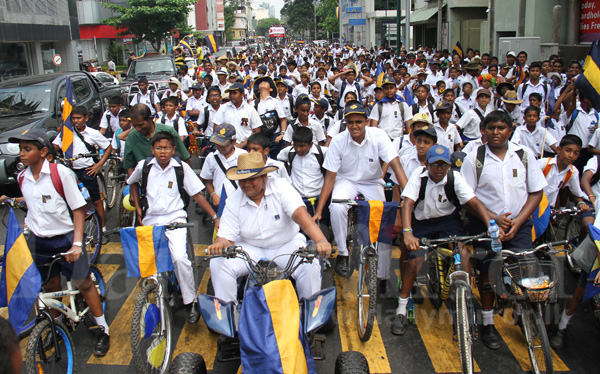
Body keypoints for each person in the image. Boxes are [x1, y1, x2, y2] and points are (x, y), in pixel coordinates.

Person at [0, 129, 110, 356]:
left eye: (27, 149)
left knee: (84, 283)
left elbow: (78, 209)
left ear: (43, 152)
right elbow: (33, 202)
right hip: (40, 242)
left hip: (67, 239)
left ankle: (102, 328)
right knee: (50, 288)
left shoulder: (61, 174)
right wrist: (13, 202)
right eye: (20, 149)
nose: (21, 154)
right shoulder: (23, 177)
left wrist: (77, 244)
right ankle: (57, 326)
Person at [461, 110, 547, 350]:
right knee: (488, 272)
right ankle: (487, 323)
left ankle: (525, 311)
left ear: (510, 129)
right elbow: (468, 198)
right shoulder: (474, 158)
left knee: (526, 266)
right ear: (483, 131)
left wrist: (518, 222)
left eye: (501, 128)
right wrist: (493, 219)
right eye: (491, 128)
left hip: (518, 225)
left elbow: (536, 191)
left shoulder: (525, 155)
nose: (496, 133)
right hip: (486, 225)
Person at [206, 152, 332, 304]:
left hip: (286, 245)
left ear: (264, 177)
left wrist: (320, 240)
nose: (246, 184)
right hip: (250, 249)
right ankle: (228, 317)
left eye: (252, 179)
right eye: (242, 180)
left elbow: (300, 215)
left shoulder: (281, 188)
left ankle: (309, 314)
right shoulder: (233, 200)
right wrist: (219, 244)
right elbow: (225, 237)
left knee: (310, 264)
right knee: (218, 263)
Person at [393, 145, 492, 335]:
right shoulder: (418, 174)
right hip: (422, 223)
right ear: (427, 164)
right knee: (415, 261)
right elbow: (408, 203)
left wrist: (491, 225)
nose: (439, 169)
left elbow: (473, 202)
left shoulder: (454, 177)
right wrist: (408, 232)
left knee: (463, 255)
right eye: (435, 165)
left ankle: (465, 301)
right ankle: (401, 309)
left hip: (447, 222)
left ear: (449, 166)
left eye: (443, 165)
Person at [128, 131, 218, 323]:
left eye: (167, 148)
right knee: (149, 267)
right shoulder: (143, 167)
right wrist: (137, 207)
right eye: (159, 148)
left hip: (175, 219)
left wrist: (214, 215)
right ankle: (154, 297)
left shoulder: (181, 168)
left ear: (173, 149)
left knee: (179, 258)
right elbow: (132, 183)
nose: (163, 151)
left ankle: (190, 301)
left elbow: (197, 195)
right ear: (152, 149)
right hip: (151, 220)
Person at [314, 101, 408, 284]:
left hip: (372, 182)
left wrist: (406, 196)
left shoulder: (379, 135)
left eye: (359, 121)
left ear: (366, 121)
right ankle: (342, 252)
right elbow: (330, 178)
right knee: (337, 207)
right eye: (350, 122)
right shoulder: (339, 140)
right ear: (346, 123)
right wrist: (319, 209)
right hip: (346, 181)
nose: (354, 126)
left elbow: (396, 165)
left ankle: (382, 273)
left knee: (384, 217)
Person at [52, 105, 112, 235]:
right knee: (71, 201)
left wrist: (99, 165)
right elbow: (55, 146)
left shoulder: (92, 133)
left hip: (87, 170)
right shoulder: (66, 132)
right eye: (73, 118)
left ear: (86, 118)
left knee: (95, 200)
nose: (75, 121)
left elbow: (108, 147)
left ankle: (102, 229)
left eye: (78, 118)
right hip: (69, 171)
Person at [123, 104, 191, 175]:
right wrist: (133, 183)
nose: (137, 129)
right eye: (135, 126)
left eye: (141, 125)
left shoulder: (168, 131)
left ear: (151, 119)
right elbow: (129, 165)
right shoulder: (132, 136)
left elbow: (185, 158)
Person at [200, 123, 247, 208]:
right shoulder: (211, 157)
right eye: (217, 143)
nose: (220, 147)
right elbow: (207, 179)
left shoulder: (243, 155)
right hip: (219, 201)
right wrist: (213, 195)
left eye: (223, 144)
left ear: (234, 141)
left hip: (241, 201)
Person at [212, 82, 262, 148]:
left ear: (242, 94)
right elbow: (216, 129)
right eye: (230, 93)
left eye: (235, 93)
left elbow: (256, 132)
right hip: (226, 147)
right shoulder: (223, 108)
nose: (232, 96)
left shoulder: (250, 109)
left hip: (246, 147)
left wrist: (242, 145)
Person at [369, 74, 411, 140]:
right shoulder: (378, 106)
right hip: (382, 140)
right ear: (383, 90)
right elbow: (374, 127)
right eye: (386, 88)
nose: (389, 91)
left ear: (396, 89)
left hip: (398, 140)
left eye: (391, 88)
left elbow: (409, 126)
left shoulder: (402, 105)